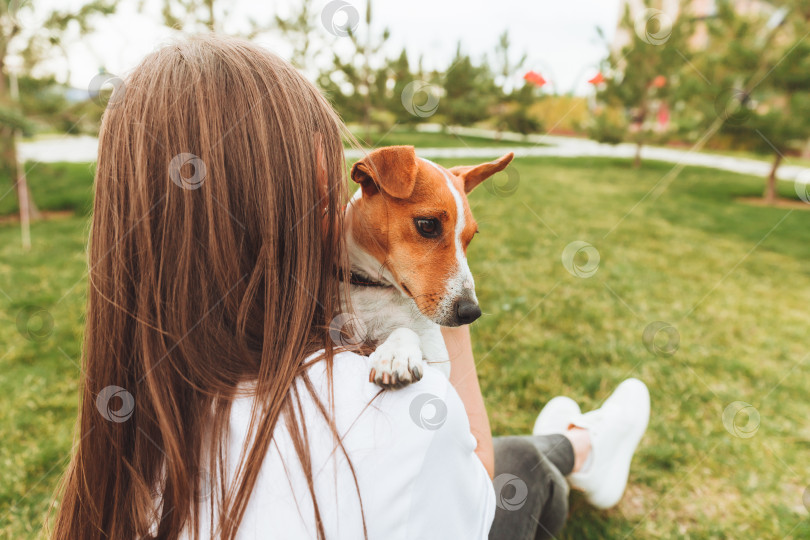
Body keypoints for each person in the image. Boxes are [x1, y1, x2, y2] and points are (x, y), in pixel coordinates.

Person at [51, 35, 650, 540]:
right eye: (322, 189)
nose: (336, 207)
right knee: (525, 469)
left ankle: (582, 438)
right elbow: (477, 485)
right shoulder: (400, 416)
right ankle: (586, 445)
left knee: (533, 452)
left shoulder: (123, 432)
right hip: (449, 491)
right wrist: (437, 314)